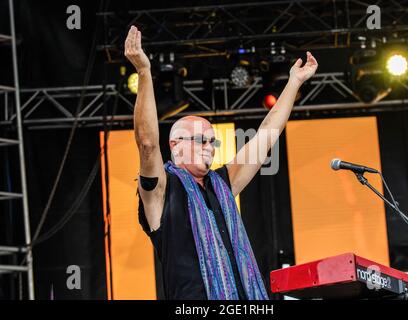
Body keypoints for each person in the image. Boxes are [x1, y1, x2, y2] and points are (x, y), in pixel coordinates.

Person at [124, 25, 318, 300]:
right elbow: (147, 143)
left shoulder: (221, 184)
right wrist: (144, 72)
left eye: (212, 141)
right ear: (175, 145)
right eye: (200, 140)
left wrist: (294, 83)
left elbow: (265, 137)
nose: (209, 148)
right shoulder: (161, 191)